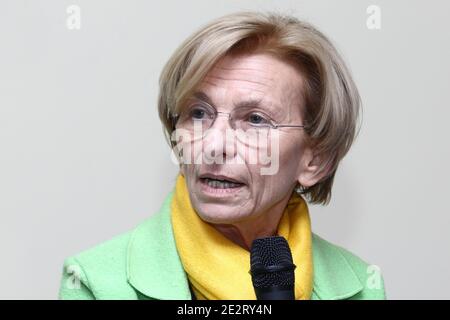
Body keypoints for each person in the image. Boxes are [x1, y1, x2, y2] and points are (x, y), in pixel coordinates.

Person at [59, 11, 386, 300]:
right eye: (198, 113)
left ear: (315, 160)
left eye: (255, 120)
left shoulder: (360, 287)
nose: (214, 145)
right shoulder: (96, 284)